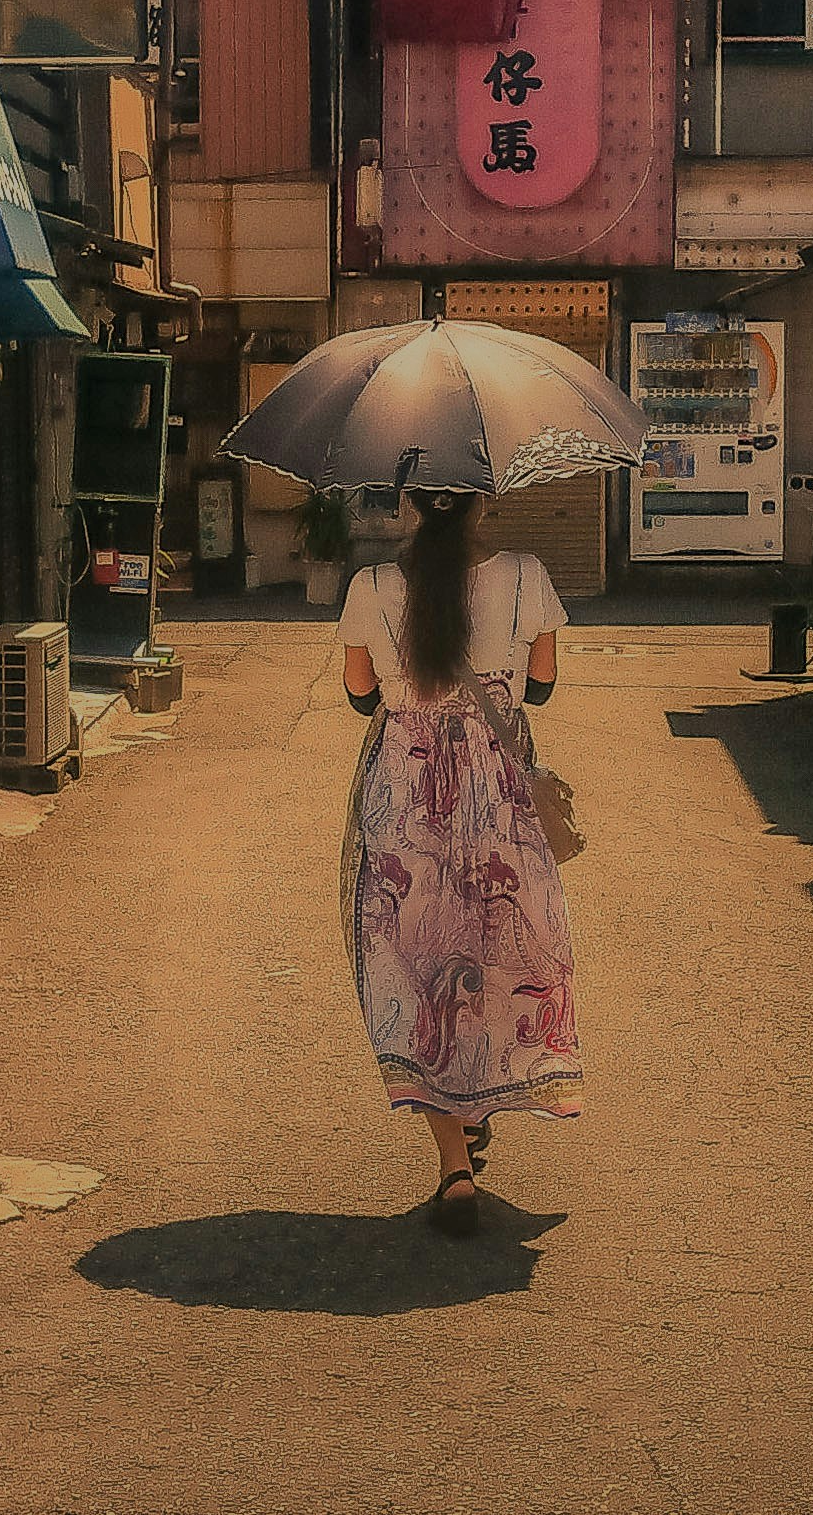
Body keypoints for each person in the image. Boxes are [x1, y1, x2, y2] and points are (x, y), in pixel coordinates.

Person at [336, 488, 579, 1235]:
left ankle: (454, 1162)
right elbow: (541, 683)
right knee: (500, 958)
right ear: (485, 499)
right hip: (500, 796)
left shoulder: (372, 588)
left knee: (417, 966)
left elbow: (358, 693)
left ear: (409, 498)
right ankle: (480, 1103)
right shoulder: (527, 576)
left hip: (404, 800)